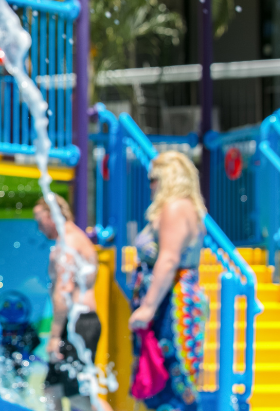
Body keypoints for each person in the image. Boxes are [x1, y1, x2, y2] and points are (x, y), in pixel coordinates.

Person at [128, 151, 208, 410]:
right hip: (168, 303)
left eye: (153, 178)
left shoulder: (176, 208)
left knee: (169, 382)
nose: (150, 185)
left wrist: (148, 307)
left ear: (169, 177)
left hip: (169, 307)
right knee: (164, 381)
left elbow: (169, 259)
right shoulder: (183, 208)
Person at [34, 196, 111, 411]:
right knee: (52, 390)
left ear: (51, 216)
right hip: (76, 322)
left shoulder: (68, 242)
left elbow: (63, 293)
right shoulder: (73, 239)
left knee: (81, 396)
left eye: (40, 221)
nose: (39, 229)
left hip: (79, 324)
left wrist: (55, 336)